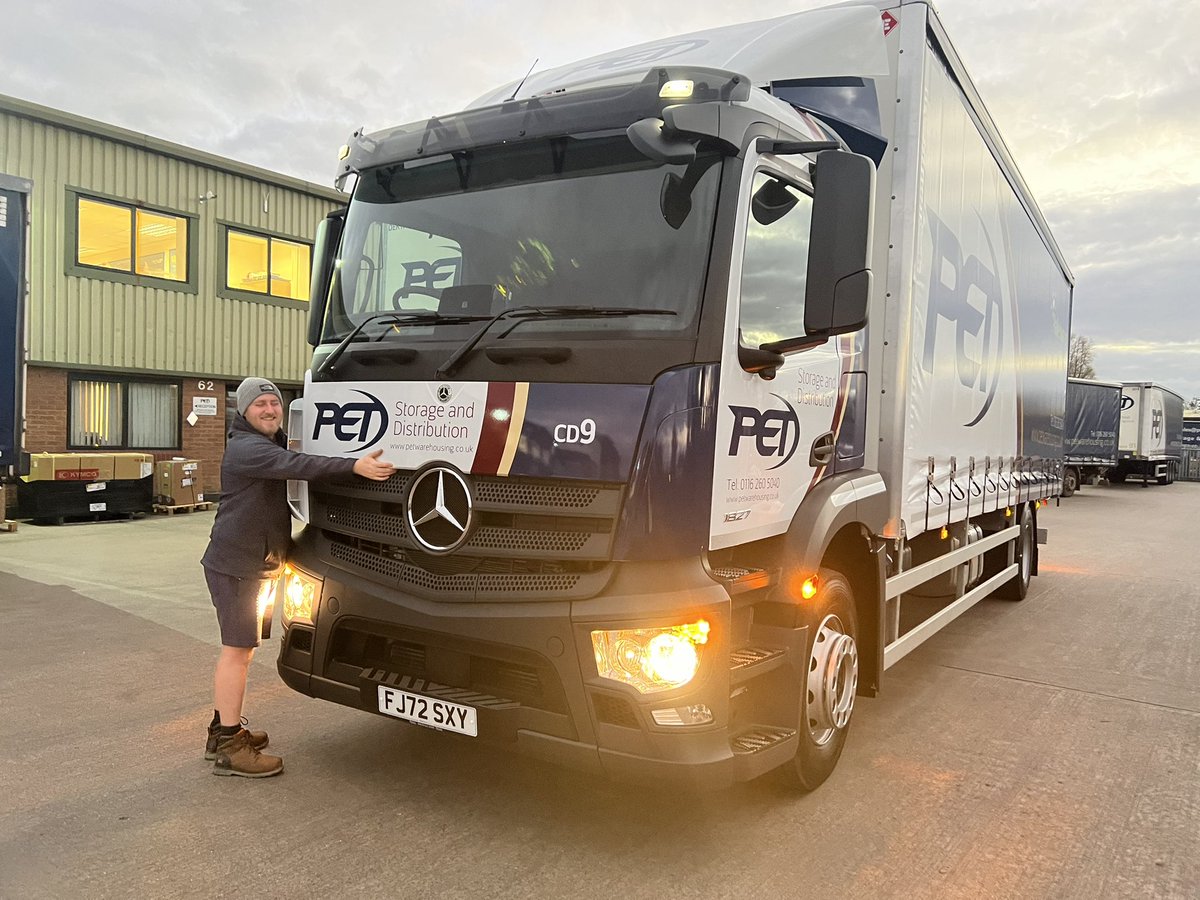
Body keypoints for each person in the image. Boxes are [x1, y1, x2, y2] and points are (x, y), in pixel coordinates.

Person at [200, 376, 394, 777]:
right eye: (260, 405)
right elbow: (301, 465)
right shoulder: (248, 449)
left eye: (274, 402)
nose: (270, 409)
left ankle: (221, 732)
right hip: (238, 566)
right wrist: (355, 464)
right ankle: (231, 747)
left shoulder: (266, 441)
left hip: (252, 562)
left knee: (244, 650)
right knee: (237, 652)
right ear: (244, 411)